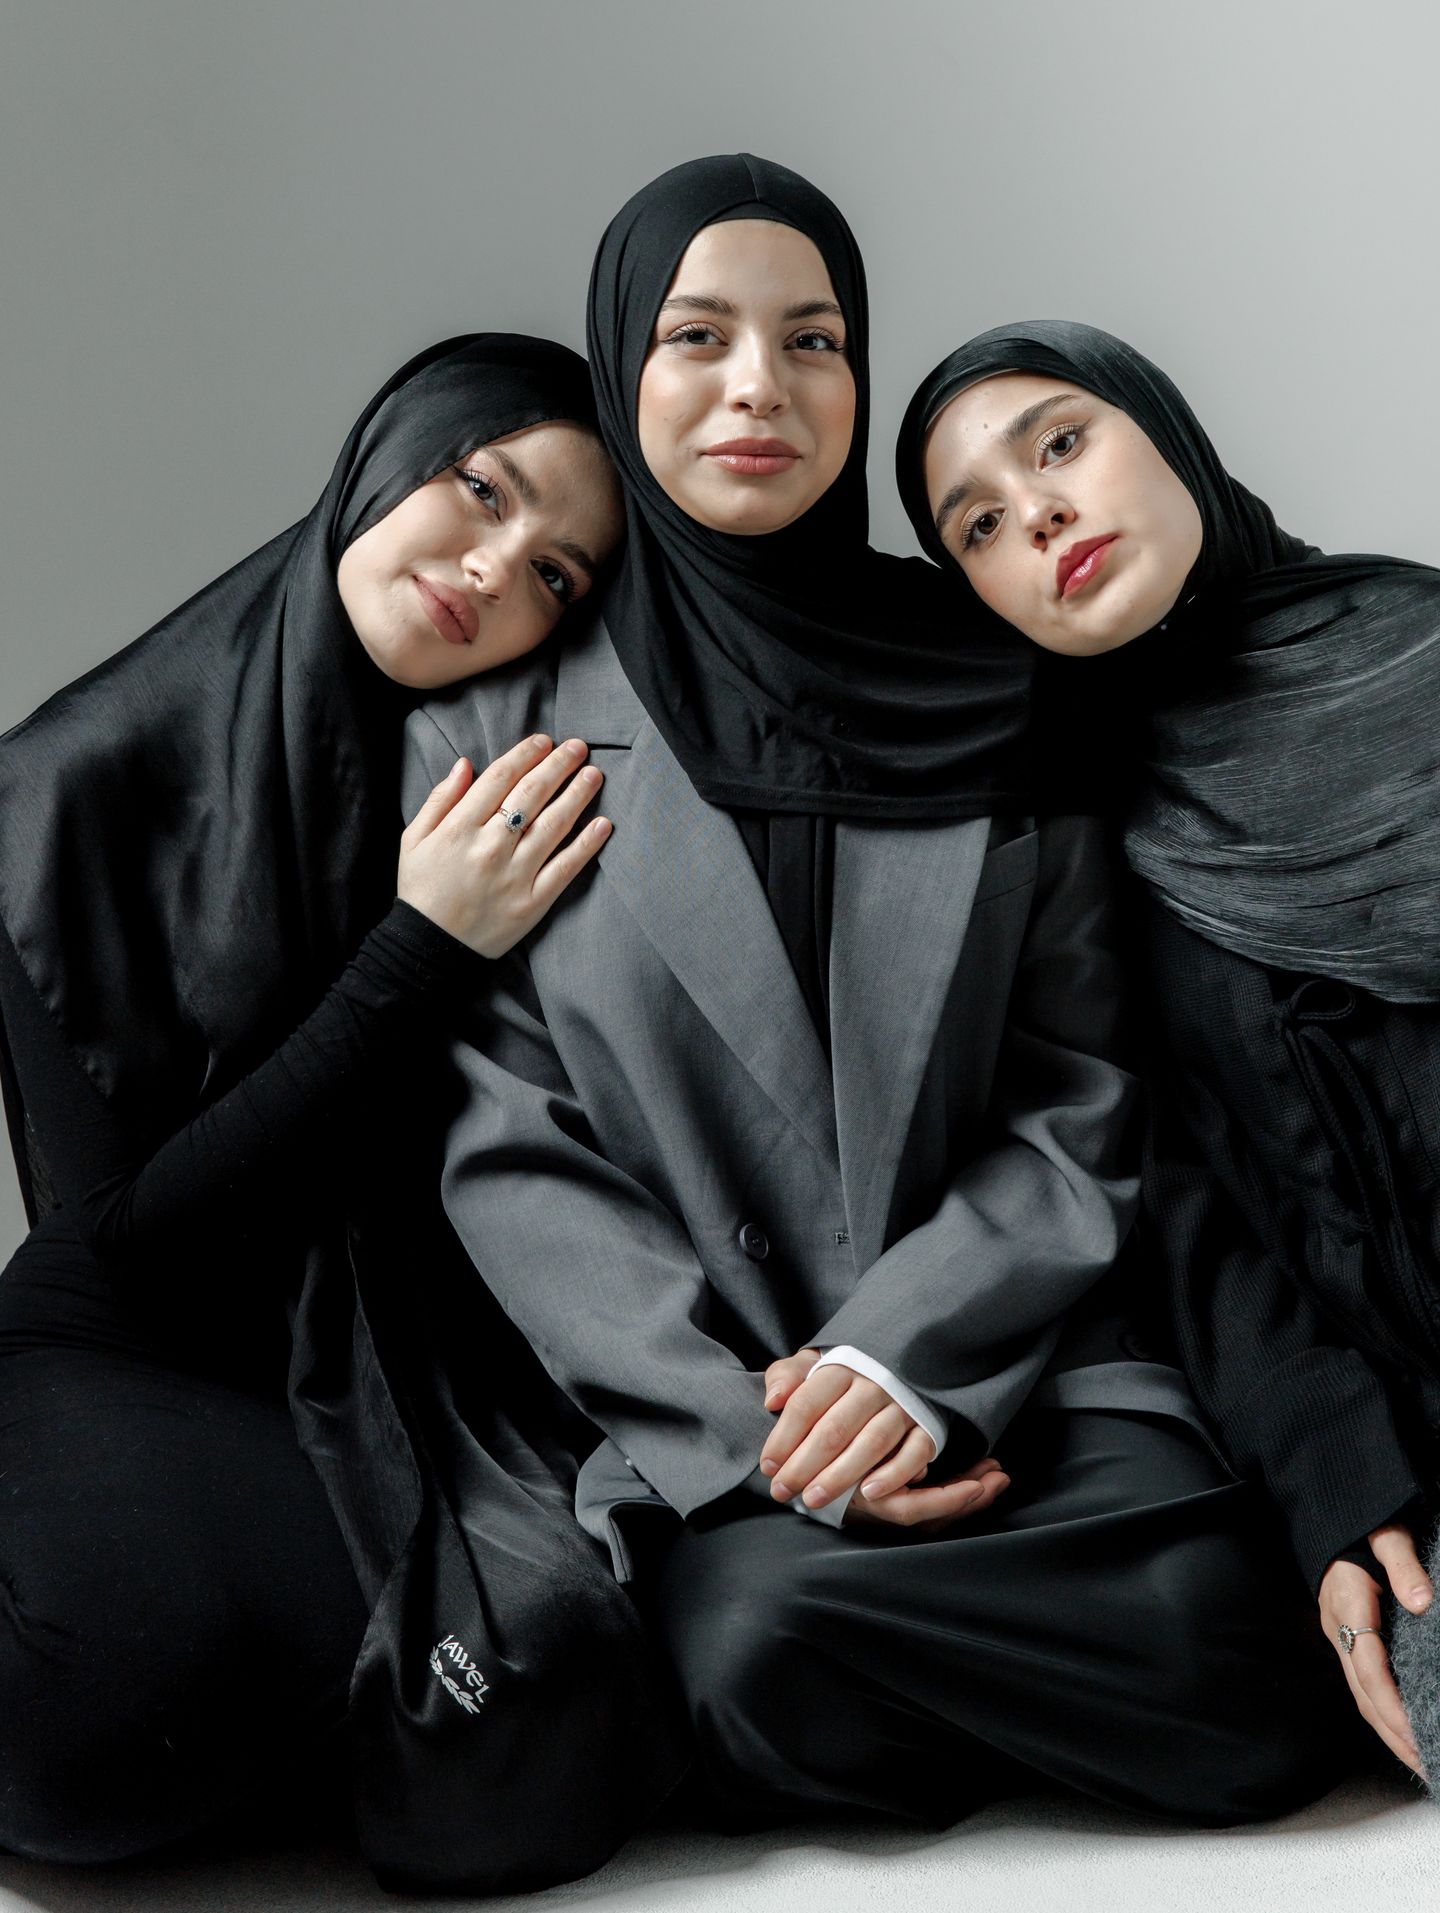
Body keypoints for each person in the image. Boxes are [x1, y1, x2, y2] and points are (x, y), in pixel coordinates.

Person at [403, 160, 1351, 1835]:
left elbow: (1078, 1084)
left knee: (1229, 1629)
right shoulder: (495, 719)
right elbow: (510, 1145)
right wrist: (768, 1431)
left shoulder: (995, 667)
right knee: (746, 1646)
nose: (759, 387)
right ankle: (993, 1687)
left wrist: (905, 1362)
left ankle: (951, 1686)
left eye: (814, 339)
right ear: (623, 364)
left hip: (1021, 1371)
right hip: (734, 1422)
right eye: (699, 336)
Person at [0, 334, 683, 1891]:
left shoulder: (504, 772)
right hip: (128, 1338)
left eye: (557, 573)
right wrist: (420, 949)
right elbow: (134, 1246)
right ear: (390, 453)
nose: (494, 568)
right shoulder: (58, 790)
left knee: (495, 1694)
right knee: (89, 1705)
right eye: (482, 490)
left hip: (395, 1368)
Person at [896, 317, 1440, 1785]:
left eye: (1061, 444)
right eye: (979, 526)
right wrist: (1336, 1477)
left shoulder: (1422, 645)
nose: (1040, 515)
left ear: (1167, 432)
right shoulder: (1083, 842)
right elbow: (1188, 1211)